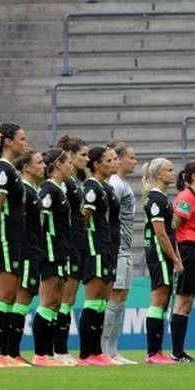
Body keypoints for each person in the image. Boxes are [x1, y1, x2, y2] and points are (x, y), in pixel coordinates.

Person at [0, 123, 29, 367]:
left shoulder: (10, 169)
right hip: (4, 238)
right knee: (3, 296)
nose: (25, 142)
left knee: (11, 296)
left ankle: (7, 353)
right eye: (22, 138)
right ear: (8, 142)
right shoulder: (2, 169)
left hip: (15, 239)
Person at [33, 147, 74, 367]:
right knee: (48, 301)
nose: (71, 166)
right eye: (68, 162)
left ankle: (47, 354)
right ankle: (41, 355)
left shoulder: (59, 189)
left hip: (59, 251)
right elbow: (41, 218)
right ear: (58, 165)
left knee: (55, 304)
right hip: (49, 252)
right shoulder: (48, 190)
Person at [78, 146, 118, 365]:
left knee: (102, 303)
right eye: (108, 160)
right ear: (96, 165)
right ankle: (86, 354)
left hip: (107, 247)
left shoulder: (105, 188)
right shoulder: (92, 188)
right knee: (93, 302)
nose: (113, 163)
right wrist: (88, 245)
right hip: (96, 248)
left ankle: (97, 352)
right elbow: (84, 219)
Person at [141, 157, 183, 364]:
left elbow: (170, 232)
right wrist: (175, 259)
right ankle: (153, 353)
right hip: (159, 254)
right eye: (169, 170)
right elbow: (161, 234)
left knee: (163, 301)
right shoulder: (156, 199)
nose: (172, 173)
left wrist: (177, 257)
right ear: (158, 174)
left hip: (164, 254)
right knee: (158, 300)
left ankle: (157, 352)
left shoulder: (163, 198)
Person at [170, 160, 195, 362]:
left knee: (188, 301)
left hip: (193, 251)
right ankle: (177, 353)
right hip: (186, 251)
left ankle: (179, 352)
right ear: (194, 176)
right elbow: (173, 226)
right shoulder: (186, 197)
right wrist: (177, 257)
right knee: (183, 301)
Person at [54, 135, 90, 364]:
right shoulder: (65, 184)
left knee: (68, 300)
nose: (86, 159)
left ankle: (60, 349)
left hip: (77, 243)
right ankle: (58, 350)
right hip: (67, 244)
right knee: (62, 300)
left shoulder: (75, 182)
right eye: (82, 155)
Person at [102, 142, 138, 365]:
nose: (135, 161)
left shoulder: (123, 183)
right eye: (131, 158)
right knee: (114, 298)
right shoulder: (115, 184)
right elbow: (106, 216)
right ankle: (105, 350)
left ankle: (113, 351)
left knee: (121, 299)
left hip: (125, 248)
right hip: (116, 249)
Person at [15, 149, 47, 365]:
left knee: (23, 303)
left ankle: (10, 353)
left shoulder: (34, 191)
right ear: (26, 167)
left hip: (34, 252)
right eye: (39, 162)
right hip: (26, 252)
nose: (44, 166)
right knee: (20, 301)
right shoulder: (24, 191)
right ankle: (10, 352)